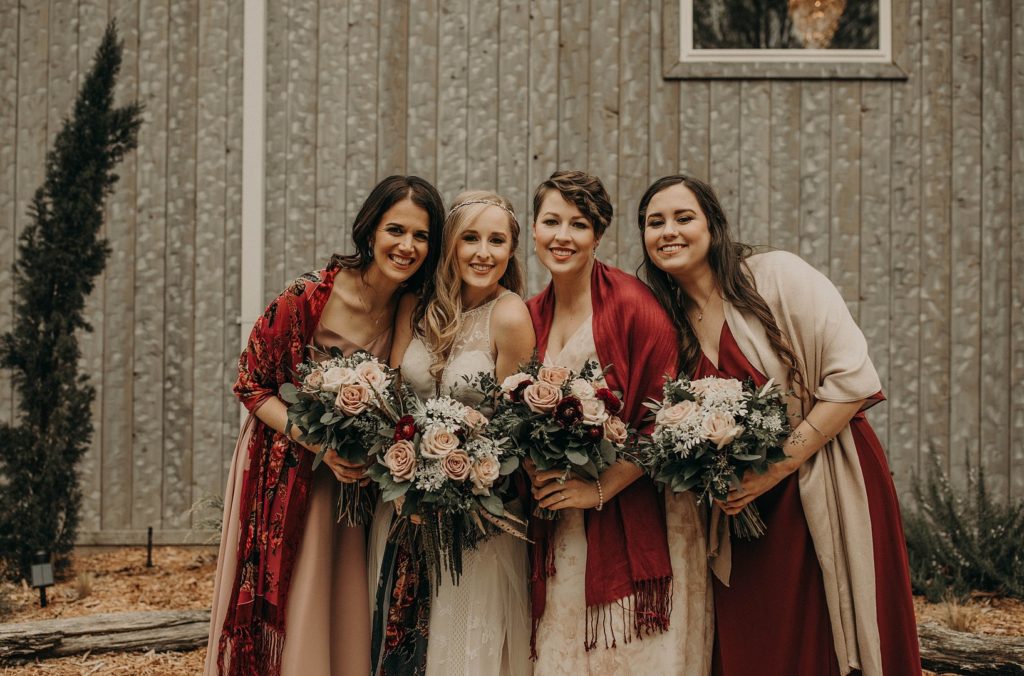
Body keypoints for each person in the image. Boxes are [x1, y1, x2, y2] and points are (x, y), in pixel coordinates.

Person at [637, 174, 921, 676]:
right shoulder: (667, 317)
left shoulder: (776, 277)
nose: (669, 231)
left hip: (821, 476)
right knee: (757, 640)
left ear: (714, 226)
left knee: (825, 635)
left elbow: (851, 380)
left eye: (684, 218)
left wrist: (773, 470)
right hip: (740, 509)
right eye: (654, 222)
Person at [204, 176, 445, 676]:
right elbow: (250, 384)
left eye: (420, 236)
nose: (406, 246)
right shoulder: (310, 294)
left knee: (344, 596)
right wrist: (319, 444)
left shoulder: (409, 307)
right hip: (289, 464)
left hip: (355, 482)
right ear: (369, 229)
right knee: (302, 590)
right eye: (395, 230)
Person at [525, 170, 713, 675]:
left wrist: (599, 490)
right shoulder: (529, 314)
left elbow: (664, 422)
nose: (562, 237)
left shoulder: (633, 306)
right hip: (562, 522)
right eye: (551, 222)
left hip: (635, 511)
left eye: (579, 224)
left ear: (598, 235)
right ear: (534, 228)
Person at [368, 190, 536, 676]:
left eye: (497, 240)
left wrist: (462, 478)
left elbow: (512, 427)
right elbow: (395, 398)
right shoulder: (413, 307)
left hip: (477, 514)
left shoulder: (509, 316)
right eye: (471, 238)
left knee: (459, 637)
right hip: (403, 503)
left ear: (510, 250)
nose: (484, 252)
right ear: (450, 246)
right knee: (401, 632)